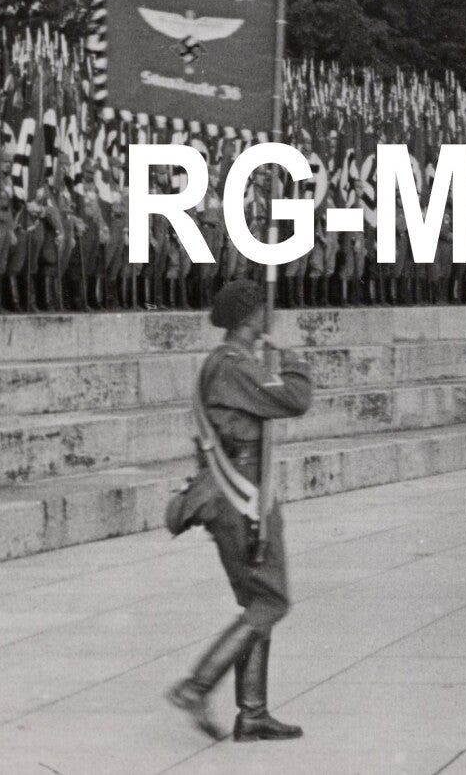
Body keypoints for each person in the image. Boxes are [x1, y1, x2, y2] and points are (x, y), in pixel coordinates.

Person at [167, 279, 314, 740]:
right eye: (264, 310)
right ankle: (197, 685)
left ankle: (252, 713)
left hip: (243, 488)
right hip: (240, 496)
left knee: (257, 603)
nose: (271, 316)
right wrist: (294, 363)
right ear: (252, 317)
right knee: (271, 601)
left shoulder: (233, 362)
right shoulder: (232, 366)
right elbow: (295, 399)